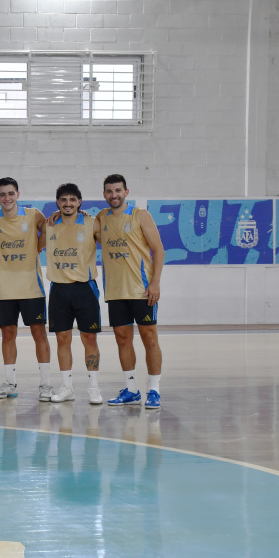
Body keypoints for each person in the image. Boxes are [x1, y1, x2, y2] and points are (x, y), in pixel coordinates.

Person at [98, 174, 165, 410]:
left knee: (149, 338)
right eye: (109, 191)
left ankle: (154, 390)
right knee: (123, 340)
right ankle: (132, 389)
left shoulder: (140, 216)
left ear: (126, 191)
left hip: (142, 291)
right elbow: (78, 225)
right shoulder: (101, 218)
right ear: (104, 194)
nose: (113, 195)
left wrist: (155, 282)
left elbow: (158, 249)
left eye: (118, 190)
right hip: (116, 292)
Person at [0, 178, 52, 401]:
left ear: (18, 194)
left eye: (11, 193)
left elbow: (49, 229)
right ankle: (10, 383)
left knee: (39, 334)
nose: (7, 198)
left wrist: (37, 247)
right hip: (5, 290)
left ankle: (45, 384)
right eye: (2, 194)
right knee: (8, 335)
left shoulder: (33, 215)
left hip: (32, 288)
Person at [46, 183, 103, 404]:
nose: (68, 204)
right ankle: (67, 386)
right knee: (63, 339)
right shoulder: (49, 224)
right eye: (63, 200)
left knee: (89, 338)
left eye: (72, 199)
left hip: (85, 288)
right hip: (58, 289)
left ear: (80, 202)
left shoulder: (92, 223)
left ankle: (94, 387)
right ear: (57, 202)